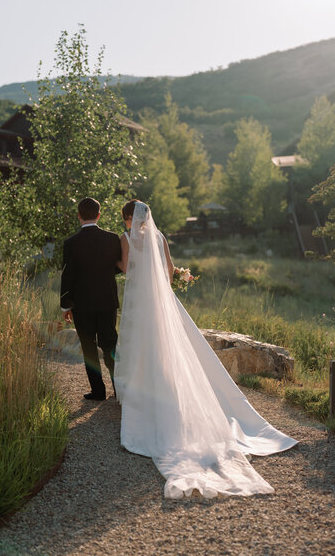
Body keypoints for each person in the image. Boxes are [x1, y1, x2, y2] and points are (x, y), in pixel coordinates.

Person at [115, 200, 298, 499]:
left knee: (141, 347)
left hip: (139, 301)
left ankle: (143, 394)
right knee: (172, 346)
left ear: (127, 218)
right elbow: (170, 269)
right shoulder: (159, 237)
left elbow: (124, 267)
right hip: (163, 303)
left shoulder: (126, 238)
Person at [60, 197, 121, 400]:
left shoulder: (70, 243)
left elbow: (67, 275)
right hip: (107, 301)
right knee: (110, 345)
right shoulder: (113, 239)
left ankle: (98, 391)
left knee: (88, 348)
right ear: (99, 215)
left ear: (78, 216)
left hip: (81, 305)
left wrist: (65, 306)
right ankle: (119, 388)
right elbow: (117, 267)